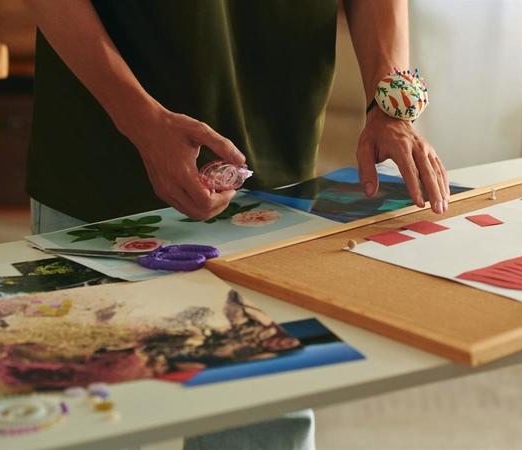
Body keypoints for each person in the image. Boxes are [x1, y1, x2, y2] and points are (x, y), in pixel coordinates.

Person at [24, 1, 450, 449]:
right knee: (86, 422)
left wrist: (389, 103)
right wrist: (139, 120)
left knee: (260, 430)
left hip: (273, 189)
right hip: (98, 175)